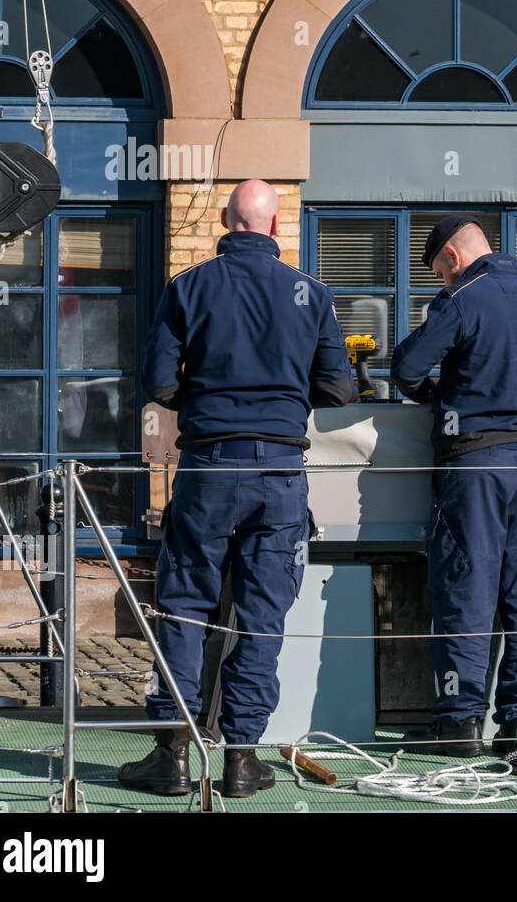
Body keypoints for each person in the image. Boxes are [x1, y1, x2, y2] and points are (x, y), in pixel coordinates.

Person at [118, 179, 353, 797]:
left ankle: (171, 755)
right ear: (275, 227)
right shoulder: (312, 293)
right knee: (260, 617)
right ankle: (242, 759)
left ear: (226, 221)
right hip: (279, 472)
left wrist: (211, 394)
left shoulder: (188, 286)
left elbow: (158, 382)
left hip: (207, 468)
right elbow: (338, 392)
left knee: (185, 605)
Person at [390, 216, 517, 757]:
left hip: (472, 466)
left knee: (466, 586)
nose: (440, 283)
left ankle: (460, 723)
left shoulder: (464, 298)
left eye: (439, 272)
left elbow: (406, 368)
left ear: (453, 255)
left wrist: (439, 390)